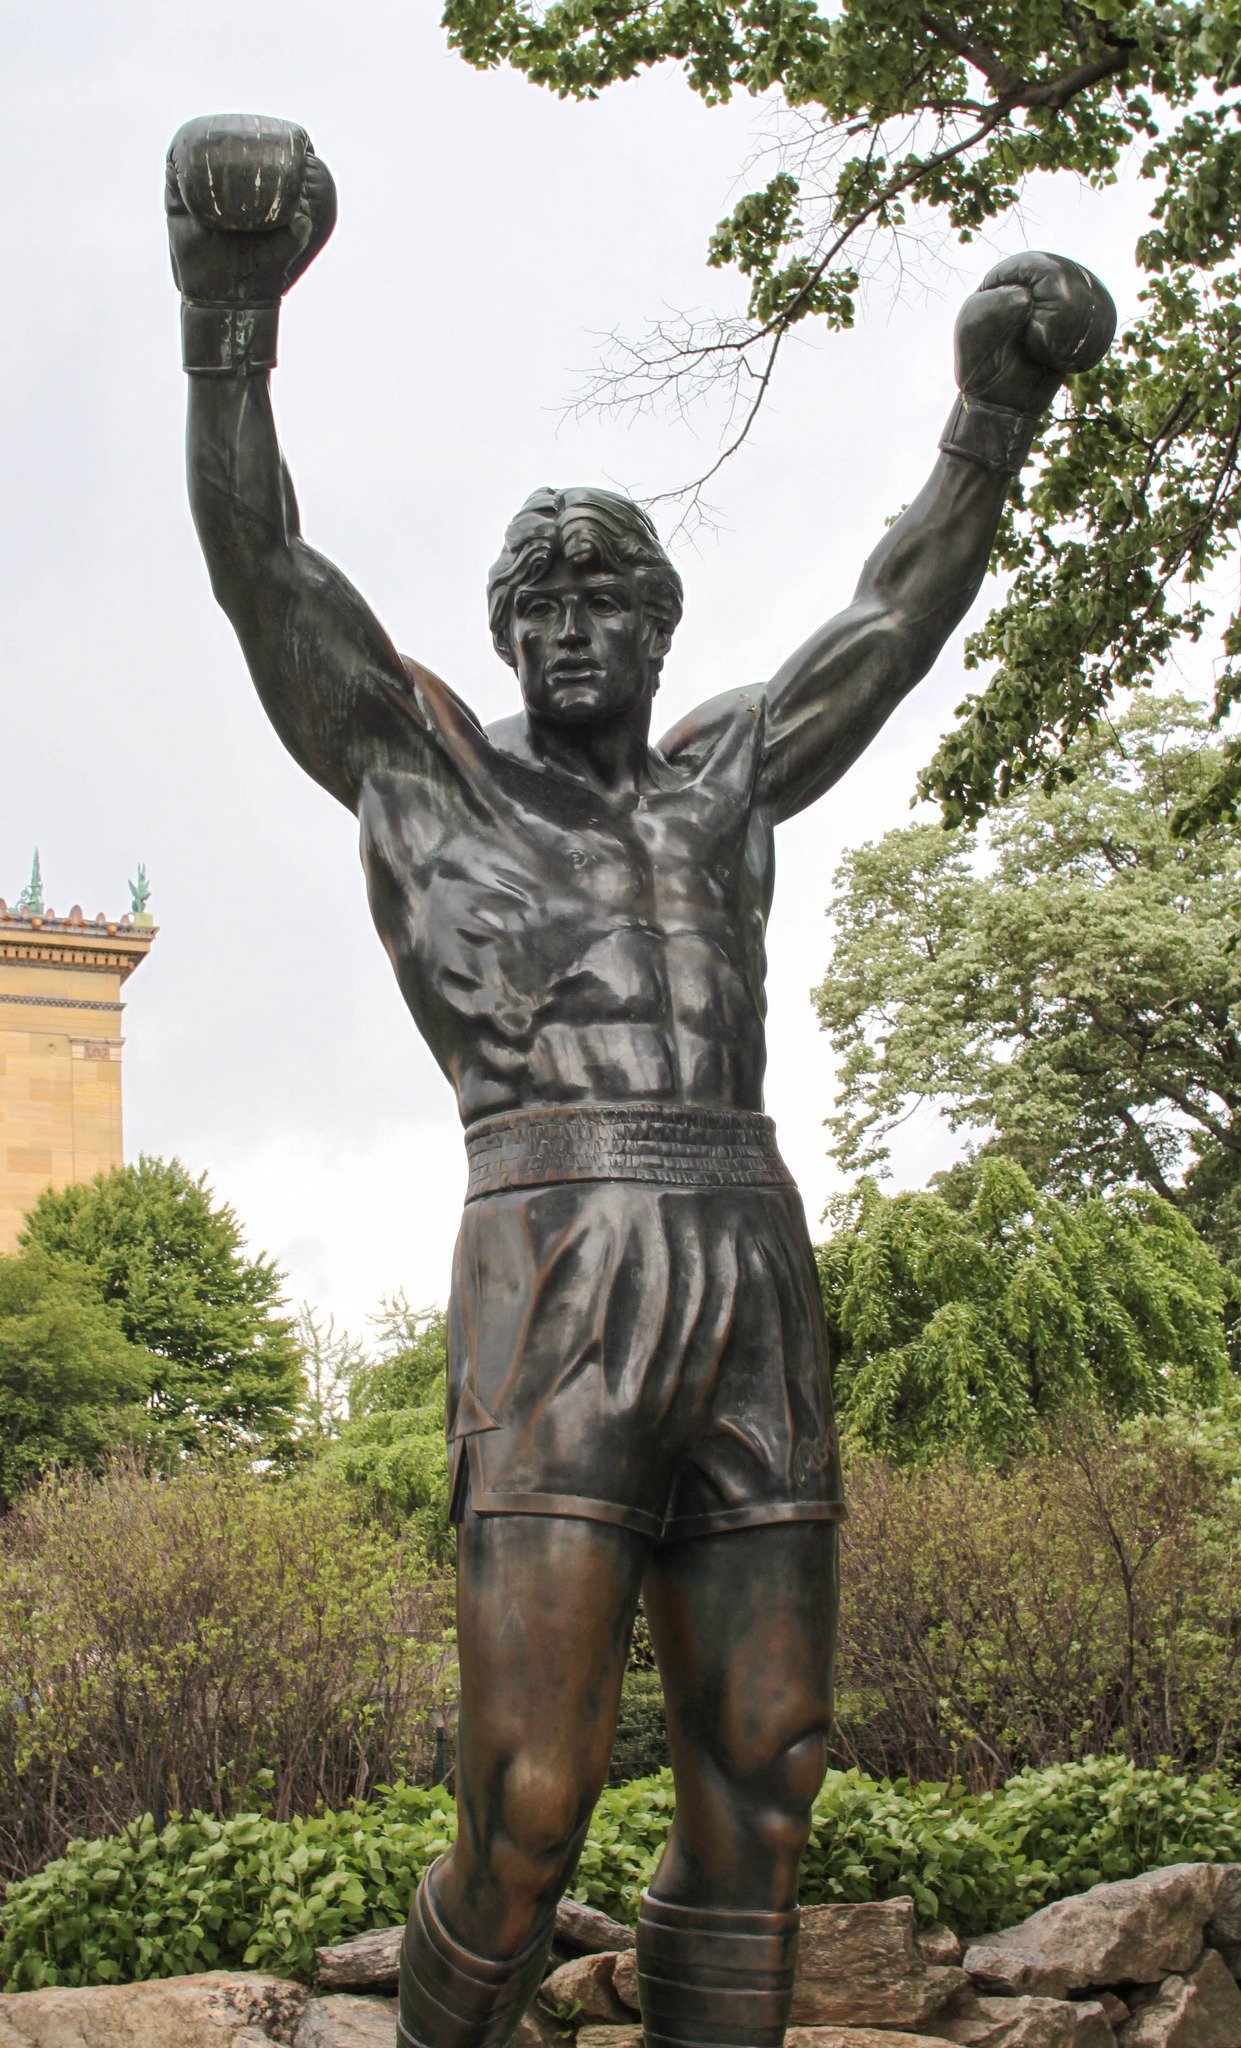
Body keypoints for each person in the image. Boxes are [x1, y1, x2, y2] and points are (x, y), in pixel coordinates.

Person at [165, 112, 1115, 2048]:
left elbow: (892, 614)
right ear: (502, 631)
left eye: (612, 592)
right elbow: (263, 563)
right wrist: (224, 318)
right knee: (527, 1799)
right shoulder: (421, 772)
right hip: (556, 1252)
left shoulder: (726, 783)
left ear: (662, 626)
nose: (577, 615)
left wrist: (988, 421)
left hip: (747, 1243)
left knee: (770, 1764)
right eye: (542, 594)